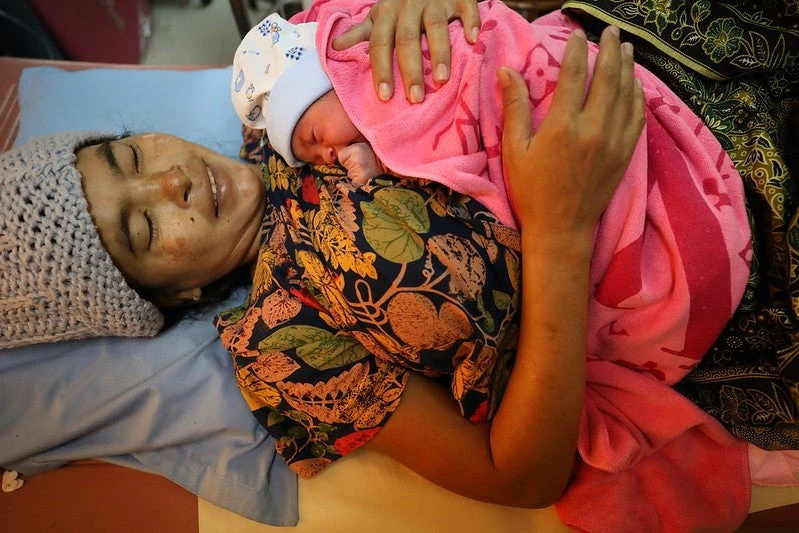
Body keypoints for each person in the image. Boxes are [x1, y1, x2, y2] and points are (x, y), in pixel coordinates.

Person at [0, 0, 796, 531]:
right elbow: (518, 475)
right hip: (740, 257)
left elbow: (489, 35)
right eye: (142, 226)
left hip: (679, 55)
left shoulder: (289, 77)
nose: (169, 180)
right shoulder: (284, 346)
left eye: (131, 153)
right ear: (171, 293)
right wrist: (559, 232)